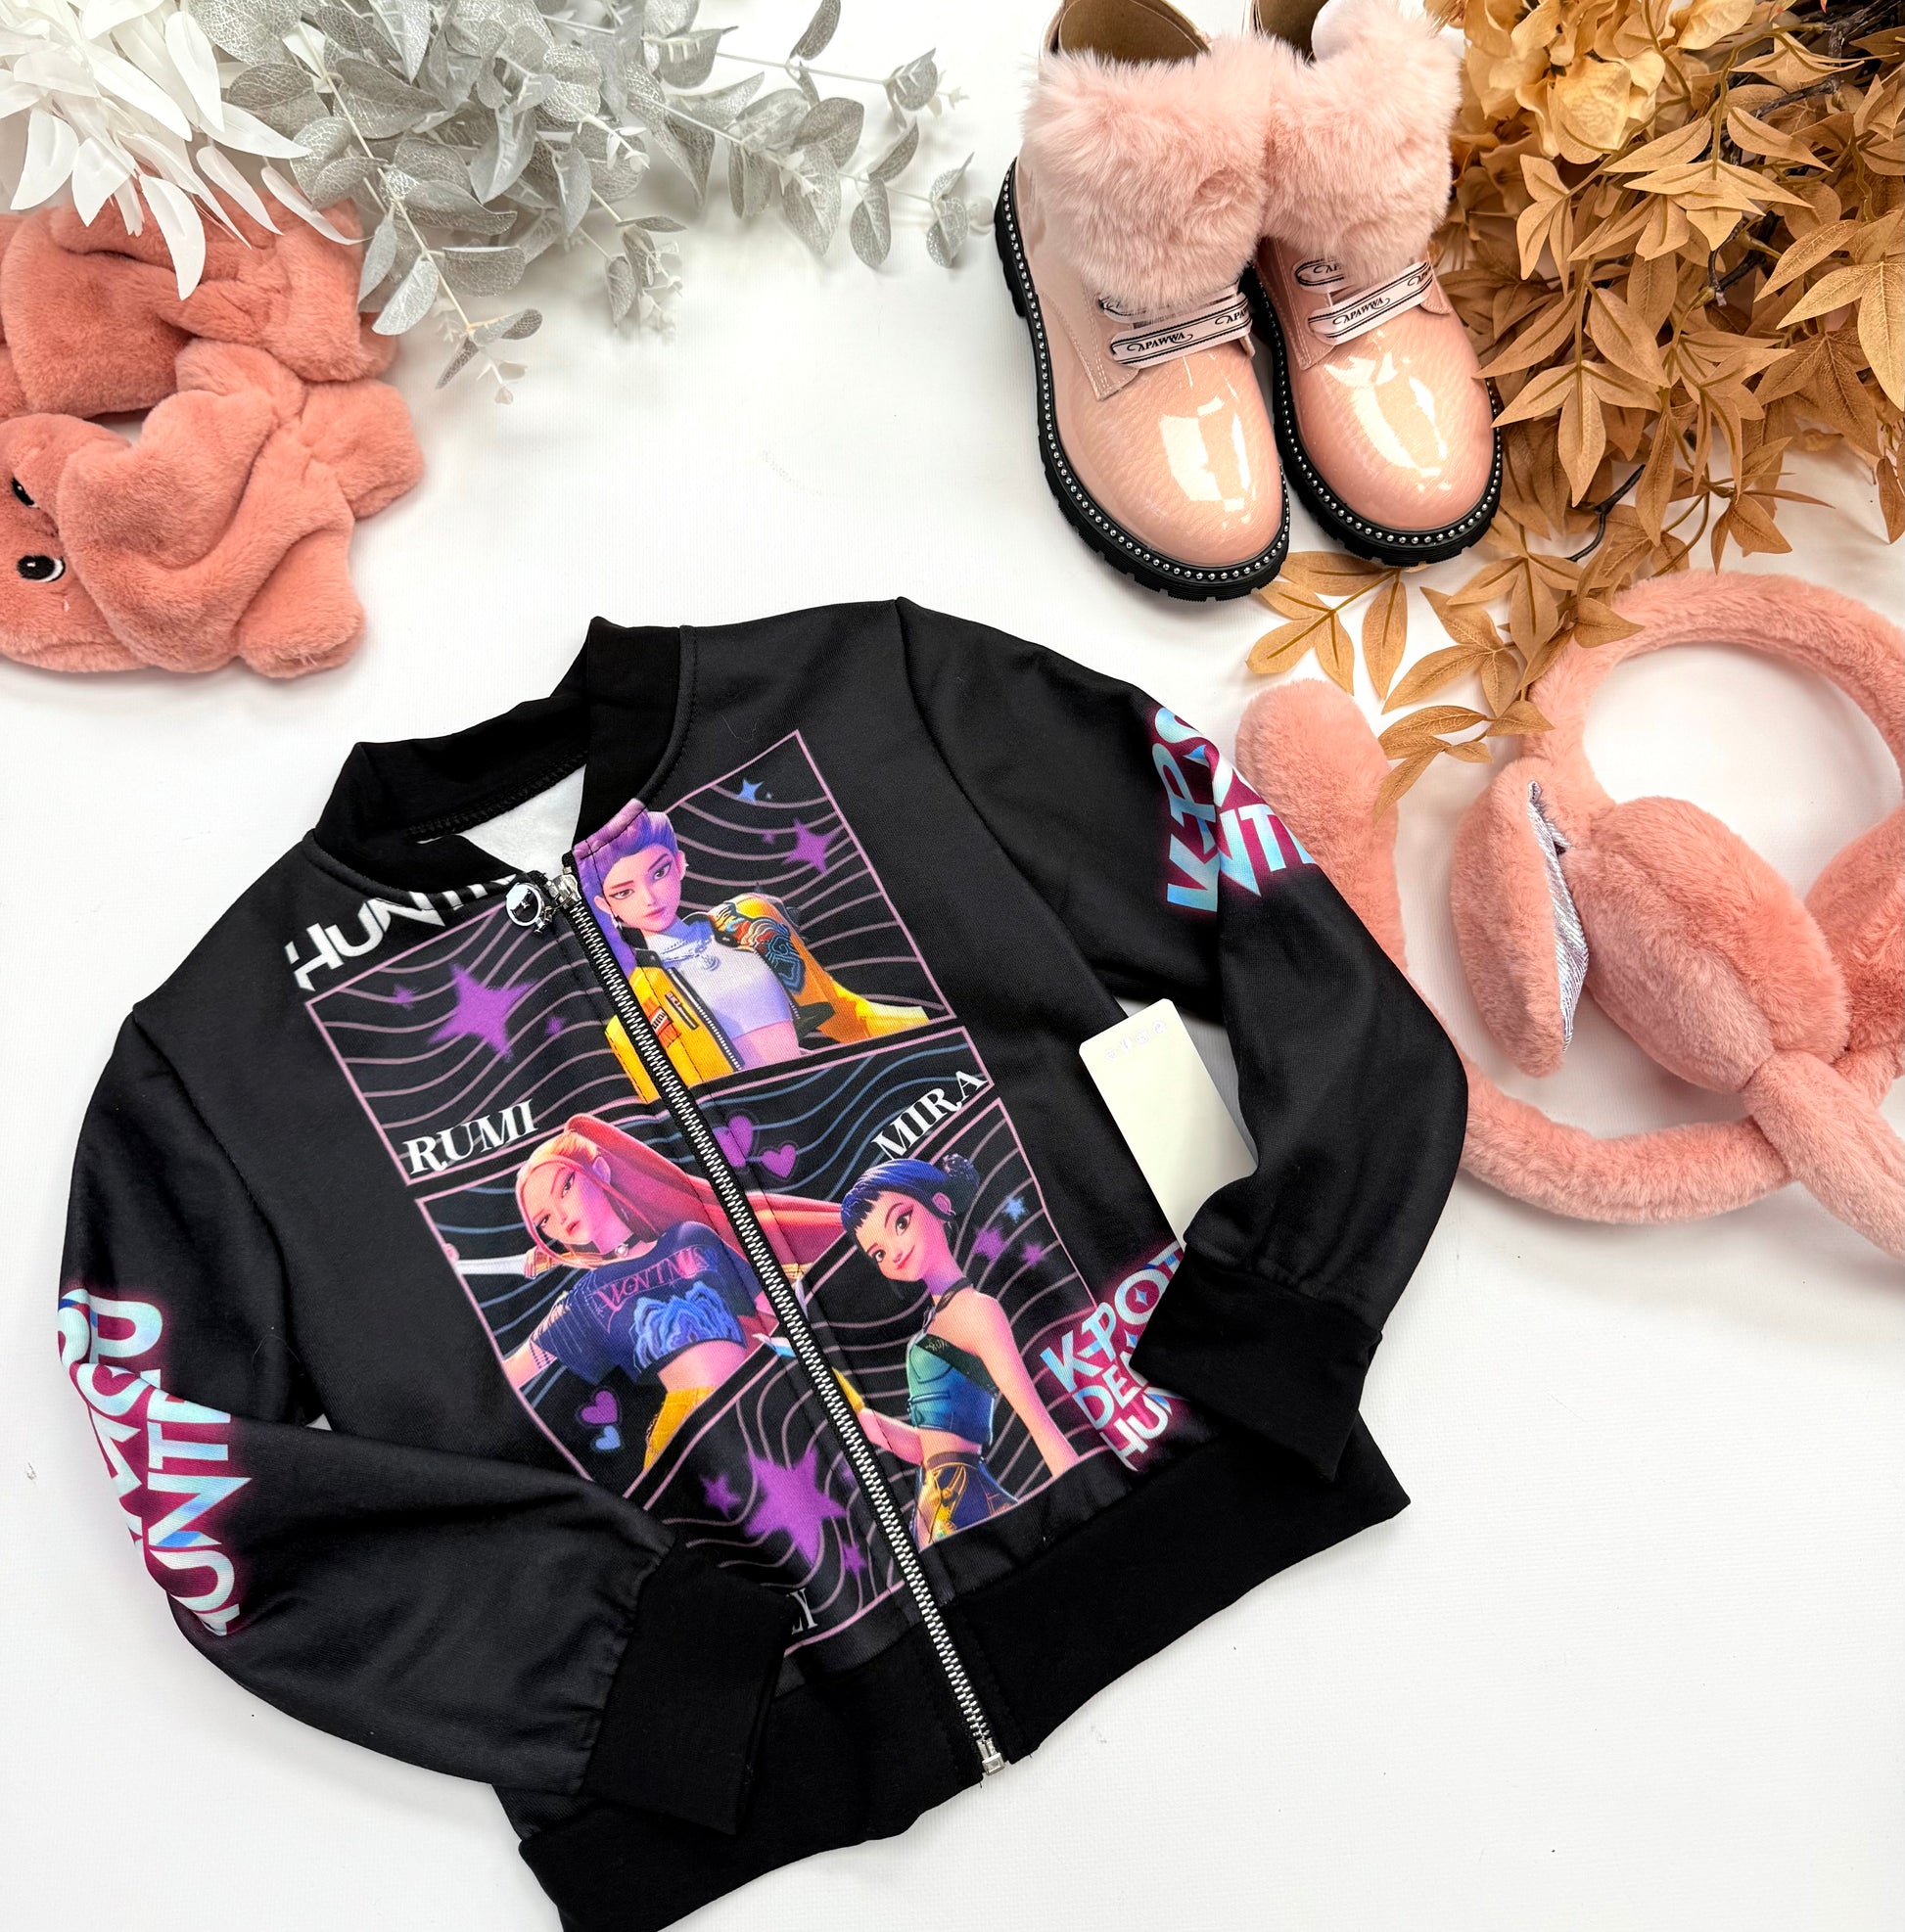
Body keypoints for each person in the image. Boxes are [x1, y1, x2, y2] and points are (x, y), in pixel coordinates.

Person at [501, 1115, 840, 1469]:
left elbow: (777, 1308)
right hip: (692, 1433)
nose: (560, 1215)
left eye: (566, 1186)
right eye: (544, 1220)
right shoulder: (587, 1297)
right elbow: (507, 1375)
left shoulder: (690, 1236)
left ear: (600, 1169)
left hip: (767, 1388)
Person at [576, 798, 929, 1098]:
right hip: (759, 1136)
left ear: (680, 864)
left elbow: (845, 1016)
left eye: (659, 872)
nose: (649, 898)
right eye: (624, 892)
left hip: (830, 1092)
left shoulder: (748, 920)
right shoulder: (633, 1014)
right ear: (606, 905)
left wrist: (932, 1024)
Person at [841, 1155, 1080, 1544]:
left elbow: (1037, 1420)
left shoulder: (977, 1311)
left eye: (901, 1222)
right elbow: (928, 1448)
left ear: (940, 1204)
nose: (894, 1252)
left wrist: (1091, 1499)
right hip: (933, 1505)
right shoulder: (933, 1324)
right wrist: (863, 1419)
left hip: (964, 1504)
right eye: (878, 1254)